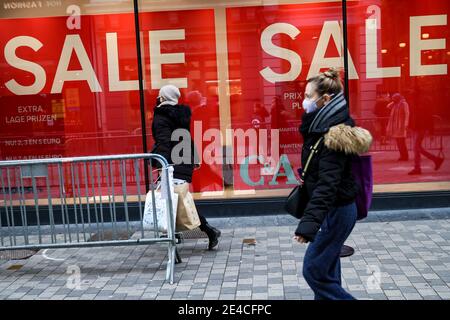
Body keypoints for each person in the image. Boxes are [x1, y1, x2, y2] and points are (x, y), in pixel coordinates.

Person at [293, 68, 372, 300]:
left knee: (314, 270)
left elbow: (328, 186)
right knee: (327, 270)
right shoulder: (319, 127)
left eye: (308, 96)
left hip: (337, 211)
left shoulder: (332, 135)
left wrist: (307, 226)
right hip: (332, 210)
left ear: (325, 99)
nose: (304, 101)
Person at [151, 84, 221, 250]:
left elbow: (164, 143)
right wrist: (194, 159)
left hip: (171, 164)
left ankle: (208, 231)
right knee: (178, 200)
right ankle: (177, 237)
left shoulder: (162, 116)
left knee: (177, 202)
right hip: (183, 161)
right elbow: (187, 138)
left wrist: (163, 165)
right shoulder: (181, 115)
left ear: (163, 97)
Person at [386, 93, 410, 161]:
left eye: (394, 98)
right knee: (398, 142)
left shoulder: (404, 104)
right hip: (395, 126)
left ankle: (405, 156)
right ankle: (402, 156)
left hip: (401, 126)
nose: (393, 100)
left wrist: (406, 124)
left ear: (398, 98)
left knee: (402, 142)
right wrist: (393, 102)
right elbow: (388, 106)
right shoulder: (395, 105)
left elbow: (407, 114)